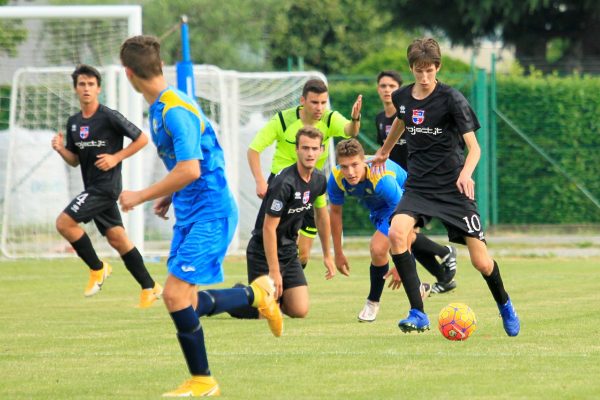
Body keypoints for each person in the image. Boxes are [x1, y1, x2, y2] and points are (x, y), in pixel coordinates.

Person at [118, 35, 283, 397]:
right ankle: (256, 296)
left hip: (211, 213)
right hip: (191, 212)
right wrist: (171, 197)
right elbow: (189, 169)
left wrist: (143, 195)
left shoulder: (175, 110)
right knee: (187, 302)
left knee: (174, 296)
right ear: (159, 65)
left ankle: (203, 380)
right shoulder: (160, 107)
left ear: (128, 73)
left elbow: (191, 169)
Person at [371, 38, 520, 336]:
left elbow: (474, 149)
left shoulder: (452, 99)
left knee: (481, 261)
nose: (424, 77)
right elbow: (401, 121)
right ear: (411, 69)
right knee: (398, 233)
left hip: (454, 188)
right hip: (420, 186)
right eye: (418, 70)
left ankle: (504, 304)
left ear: (438, 67)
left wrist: (466, 174)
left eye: (430, 70)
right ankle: (418, 313)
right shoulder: (402, 97)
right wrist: (385, 150)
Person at [51, 64, 161, 308]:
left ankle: (98, 268)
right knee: (118, 240)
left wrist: (116, 157)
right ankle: (150, 287)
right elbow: (75, 161)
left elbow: (142, 138)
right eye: (82, 84)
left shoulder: (109, 116)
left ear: (98, 88)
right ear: (76, 89)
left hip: (106, 187)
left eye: (91, 84)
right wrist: (61, 150)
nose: (86, 88)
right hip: (93, 187)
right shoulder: (74, 123)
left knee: (64, 222)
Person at [248, 78, 362, 270]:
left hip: (310, 185)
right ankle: (268, 285)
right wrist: (260, 181)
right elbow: (253, 150)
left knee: (302, 254)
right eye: (314, 102)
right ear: (302, 101)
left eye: (323, 102)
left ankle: (291, 284)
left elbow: (350, 131)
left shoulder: (329, 118)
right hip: (282, 187)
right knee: (274, 240)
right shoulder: (282, 120)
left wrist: (355, 118)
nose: (320, 107)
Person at [231, 126, 335, 320]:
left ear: (321, 150)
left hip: (288, 252)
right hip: (263, 251)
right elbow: (268, 228)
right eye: (305, 148)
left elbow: (321, 216)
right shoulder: (284, 182)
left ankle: (269, 298)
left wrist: (328, 255)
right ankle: (238, 295)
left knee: (299, 311)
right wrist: (274, 270)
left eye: (314, 148)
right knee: (269, 315)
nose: (310, 153)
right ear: (296, 149)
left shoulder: (320, 179)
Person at [329, 138, 434, 322]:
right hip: (378, 207)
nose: (350, 172)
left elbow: (406, 213)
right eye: (344, 166)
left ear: (364, 161)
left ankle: (372, 302)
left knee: (378, 248)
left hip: (405, 201)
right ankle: (418, 287)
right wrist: (337, 253)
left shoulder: (381, 178)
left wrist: (403, 262)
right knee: (378, 252)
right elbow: (335, 214)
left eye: (355, 165)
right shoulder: (336, 177)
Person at [375, 70, 458, 294]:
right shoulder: (380, 119)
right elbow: (385, 153)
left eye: (391, 86)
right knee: (409, 235)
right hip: (395, 184)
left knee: (405, 234)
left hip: (417, 183)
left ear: (401, 90)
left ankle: (443, 253)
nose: (386, 90)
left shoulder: (413, 111)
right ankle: (443, 275)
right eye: (382, 86)